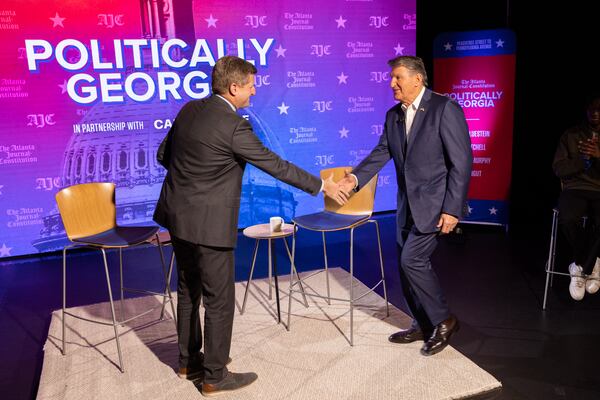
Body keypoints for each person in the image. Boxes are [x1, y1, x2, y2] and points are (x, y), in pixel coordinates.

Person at [153, 56, 347, 396]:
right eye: (251, 85)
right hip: (209, 223)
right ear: (234, 87)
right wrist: (321, 186)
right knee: (219, 299)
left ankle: (188, 363)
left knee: (188, 290)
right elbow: (276, 165)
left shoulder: (188, 110)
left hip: (177, 218)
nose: (254, 92)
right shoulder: (234, 126)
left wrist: (193, 179)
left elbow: (163, 156)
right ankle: (214, 375)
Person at [339, 55, 472, 356]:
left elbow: (461, 162)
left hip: (436, 205)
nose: (392, 83)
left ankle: (443, 320)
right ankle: (422, 322)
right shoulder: (393, 115)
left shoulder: (444, 108)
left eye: (398, 77)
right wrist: (354, 179)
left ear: (417, 79)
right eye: (392, 78)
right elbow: (382, 151)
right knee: (404, 264)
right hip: (406, 205)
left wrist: (452, 209)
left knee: (413, 260)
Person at [553, 95, 600, 301]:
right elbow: (558, 168)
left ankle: (580, 266)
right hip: (575, 187)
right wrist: (582, 162)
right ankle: (589, 264)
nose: (595, 112)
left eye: (599, 109)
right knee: (567, 218)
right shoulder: (571, 135)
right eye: (591, 108)